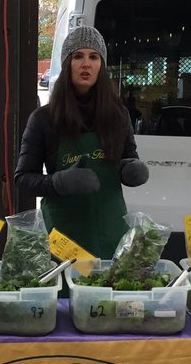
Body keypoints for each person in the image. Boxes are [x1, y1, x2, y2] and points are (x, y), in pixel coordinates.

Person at [15, 26, 149, 258]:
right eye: (78, 56)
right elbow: (23, 178)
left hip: (111, 231)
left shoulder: (118, 115)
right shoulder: (43, 119)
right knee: (66, 292)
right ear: (68, 65)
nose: (86, 64)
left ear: (101, 66)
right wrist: (58, 182)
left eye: (93, 57)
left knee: (107, 291)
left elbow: (129, 158)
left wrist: (133, 170)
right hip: (64, 239)